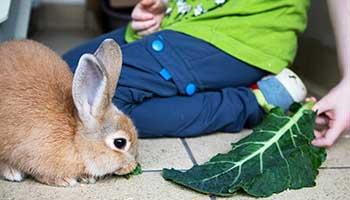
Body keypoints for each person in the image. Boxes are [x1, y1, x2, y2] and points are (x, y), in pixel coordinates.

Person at [63, 0, 348, 145]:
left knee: (83, 105)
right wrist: (164, 7)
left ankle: (253, 102)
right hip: (183, 23)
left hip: (242, 33)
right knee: (62, 72)